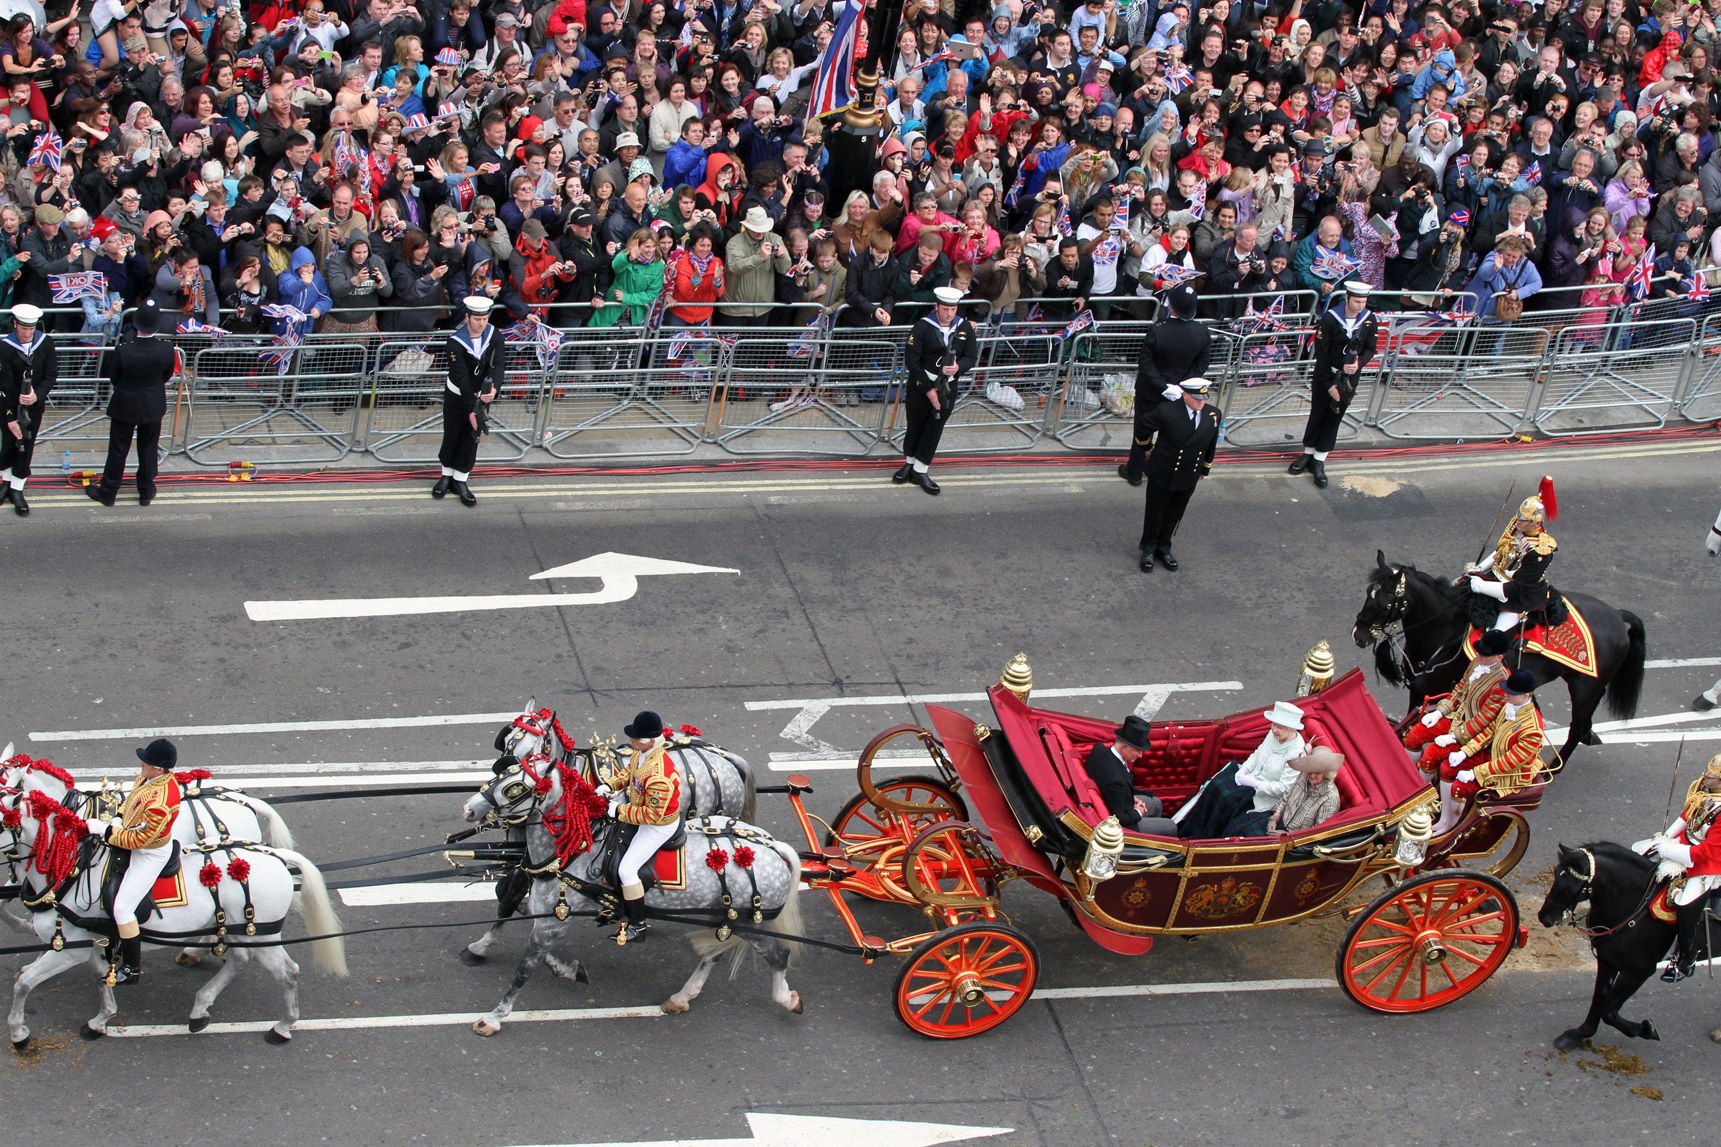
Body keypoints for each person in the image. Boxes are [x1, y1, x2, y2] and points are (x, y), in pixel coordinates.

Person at [83, 738, 183, 986]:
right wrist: (117, 818)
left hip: (149, 854)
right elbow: (131, 800)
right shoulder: (148, 778)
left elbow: (142, 839)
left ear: (159, 768)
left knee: (122, 908)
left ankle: (132, 968)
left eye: (146, 761)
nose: (141, 763)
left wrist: (105, 832)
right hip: (130, 835)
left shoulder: (162, 801)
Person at [1634, 753, 1721, 982]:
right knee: (1640, 858)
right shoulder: (1706, 792)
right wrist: (1663, 838)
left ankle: (1686, 957)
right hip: (1686, 843)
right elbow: (1687, 815)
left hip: (1708, 864)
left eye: (1711, 776)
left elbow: (1705, 853)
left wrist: (1666, 850)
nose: (1705, 776)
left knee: (1684, 903)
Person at [87, 300, 178, 507]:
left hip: (125, 404)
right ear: (156, 324)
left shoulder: (123, 350)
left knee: (118, 449)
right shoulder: (166, 348)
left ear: (136, 323)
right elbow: (166, 375)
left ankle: (108, 493)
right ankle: (146, 491)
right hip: (152, 404)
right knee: (148, 448)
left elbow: (114, 377)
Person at [1434, 670, 1547, 835]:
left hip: (1509, 773)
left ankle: (1452, 827)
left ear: (1526, 695)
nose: (1506, 695)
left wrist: (1475, 773)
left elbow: (1510, 762)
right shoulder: (1510, 706)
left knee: (1459, 787)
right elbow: (1489, 732)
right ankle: (1444, 820)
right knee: (1446, 768)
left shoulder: (1532, 729)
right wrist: (1465, 752)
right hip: (1494, 756)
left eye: (1511, 693)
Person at [605, 710, 684, 944]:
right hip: (638, 810)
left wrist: (617, 811)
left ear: (650, 740)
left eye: (635, 738)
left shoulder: (659, 774)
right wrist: (609, 786)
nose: (631, 741)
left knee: (626, 870)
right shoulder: (642, 754)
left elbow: (651, 815)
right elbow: (628, 773)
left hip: (657, 827)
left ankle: (638, 926)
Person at [1289, 281, 1378, 489]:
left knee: (1334, 417)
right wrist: (1329, 383)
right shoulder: (1330, 318)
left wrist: (1358, 363)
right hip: (1325, 376)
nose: (1360, 306)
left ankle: (1320, 459)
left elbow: (1370, 349)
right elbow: (1321, 354)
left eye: (1363, 301)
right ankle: (1307, 454)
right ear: (1347, 298)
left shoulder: (1368, 319)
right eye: (1356, 301)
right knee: (1317, 413)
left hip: (1349, 379)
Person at [1175, 700, 1309, 839]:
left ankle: (1208, 837)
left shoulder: (1296, 754)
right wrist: (1244, 770)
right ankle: (1191, 831)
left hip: (1265, 797)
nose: (1274, 729)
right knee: (1217, 786)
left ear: (1291, 729)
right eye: (1273, 724)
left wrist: (1255, 784)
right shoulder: (1273, 734)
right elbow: (1257, 754)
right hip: (1251, 778)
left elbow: (1284, 788)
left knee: (1227, 799)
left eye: (1280, 727)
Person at [1120, 283, 1209, 487]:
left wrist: (1164, 386)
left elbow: (1146, 363)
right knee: (1170, 433)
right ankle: (1158, 470)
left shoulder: (1158, 330)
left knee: (1143, 430)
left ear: (1172, 307)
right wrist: (1182, 386)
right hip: (1181, 394)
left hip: (1151, 391)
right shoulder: (1202, 331)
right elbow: (1202, 363)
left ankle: (1134, 472)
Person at [1133, 376, 1222, 573]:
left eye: (1204, 398)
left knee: (1175, 513)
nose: (1201, 402)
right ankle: (1148, 548)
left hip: (1189, 473)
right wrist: (1146, 447)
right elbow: (1142, 426)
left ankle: (1164, 547)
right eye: (1197, 398)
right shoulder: (1167, 411)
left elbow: (1211, 443)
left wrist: (1205, 468)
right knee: (1155, 513)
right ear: (1186, 395)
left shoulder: (1213, 415)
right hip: (1163, 471)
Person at [896, 285, 976, 496]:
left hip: (947, 385)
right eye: (945, 309)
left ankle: (921, 470)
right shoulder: (922, 327)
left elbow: (971, 356)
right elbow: (912, 361)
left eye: (953, 309)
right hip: (921, 384)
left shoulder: (963, 327)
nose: (949, 314)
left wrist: (958, 367)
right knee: (915, 425)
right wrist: (929, 389)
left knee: (934, 428)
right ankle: (909, 463)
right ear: (936, 306)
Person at [1404, 630, 1511, 775]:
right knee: (1414, 735)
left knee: (1431, 755)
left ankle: (1419, 790)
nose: (1479, 655)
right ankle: (1405, 775)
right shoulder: (1476, 662)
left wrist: (1454, 736)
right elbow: (1459, 690)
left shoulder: (1501, 682)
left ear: (1499, 657)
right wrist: (1439, 712)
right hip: (1454, 717)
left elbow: (1484, 719)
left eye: (1484, 654)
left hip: (1470, 732)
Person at [1464, 490, 1566, 632]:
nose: (1518, 521)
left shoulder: (1540, 551)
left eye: (1523, 519)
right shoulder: (1518, 528)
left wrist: (1481, 586)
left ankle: (1496, 653)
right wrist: (1480, 568)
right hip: (1502, 577)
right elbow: (1503, 549)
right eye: (1519, 517)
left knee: (1495, 636)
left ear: (1536, 523)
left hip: (1521, 596)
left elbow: (1517, 588)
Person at [434, 296, 502, 507]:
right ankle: (446, 475)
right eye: (477, 319)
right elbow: (461, 377)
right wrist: (471, 409)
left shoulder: (494, 334)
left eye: (484, 319)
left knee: (472, 437)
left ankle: (461, 479)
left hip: (482, 394)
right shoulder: (455, 342)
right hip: (457, 395)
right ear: (467, 317)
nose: (481, 324)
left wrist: (494, 388)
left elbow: (499, 363)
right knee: (452, 433)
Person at [0, 302, 56, 517]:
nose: (27, 333)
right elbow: (2, 385)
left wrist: (36, 396)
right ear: (15, 324)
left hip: (33, 407)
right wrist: (10, 417)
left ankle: (17, 488)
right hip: (7, 407)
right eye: (23, 329)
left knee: (26, 445)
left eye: (31, 329)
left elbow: (51, 375)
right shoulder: (5, 347)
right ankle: (5, 482)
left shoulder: (45, 344)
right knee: (7, 445)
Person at [1081, 715, 1168, 832]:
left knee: (1156, 803)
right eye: (1137, 750)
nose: (1140, 755)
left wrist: (1132, 797)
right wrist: (1138, 811)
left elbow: (1115, 791)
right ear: (1124, 748)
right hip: (1124, 827)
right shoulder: (1116, 781)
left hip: (1115, 800)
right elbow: (1120, 818)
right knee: (1170, 826)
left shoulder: (1099, 750)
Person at [1265, 748, 1345, 835]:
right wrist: (1275, 817)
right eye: (1310, 770)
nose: (1312, 775)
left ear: (1326, 773)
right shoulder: (1303, 775)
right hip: (1278, 821)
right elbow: (1286, 797)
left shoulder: (1331, 797)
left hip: (1296, 839)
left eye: (1317, 773)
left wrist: (1288, 837)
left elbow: (1319, 832)